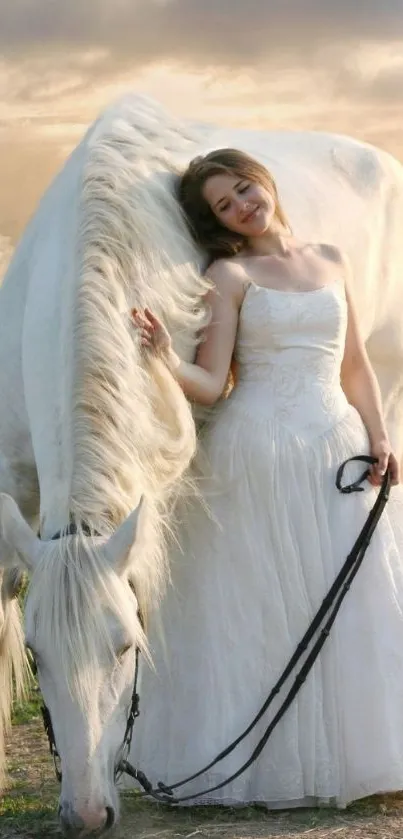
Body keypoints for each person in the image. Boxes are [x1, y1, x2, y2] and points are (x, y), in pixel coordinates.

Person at [130, 148, 403, 809]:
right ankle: (269, 764)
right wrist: (165, 357)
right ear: (218, 221)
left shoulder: (331, 260)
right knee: (262, 606)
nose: (241, 206)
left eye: (243, 189)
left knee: (351, 602)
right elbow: (212, 384)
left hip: (333, 446)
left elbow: (356, 368)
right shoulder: (229, 274)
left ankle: (356, 758)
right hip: (256, 453)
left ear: (265, 181)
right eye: (224, 205)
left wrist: (380, 435)